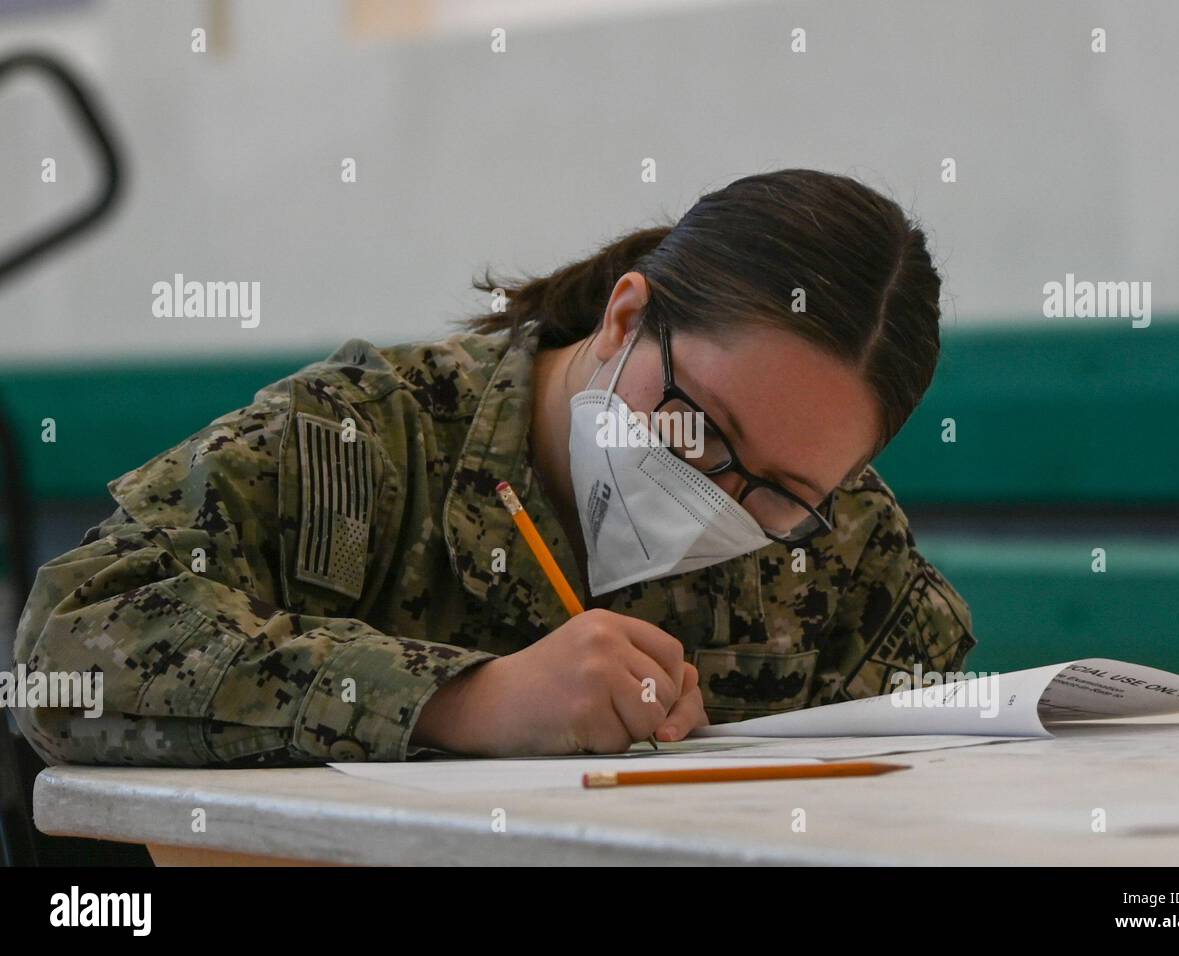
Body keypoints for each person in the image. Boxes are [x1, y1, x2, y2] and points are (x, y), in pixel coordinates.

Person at [13, 168, 976, 766]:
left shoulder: (839, 548)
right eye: (698, 427)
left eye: (777, 491)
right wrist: (466, 701)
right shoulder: (366, 443)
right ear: (628, 317)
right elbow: (65, 653)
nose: (716, 495)